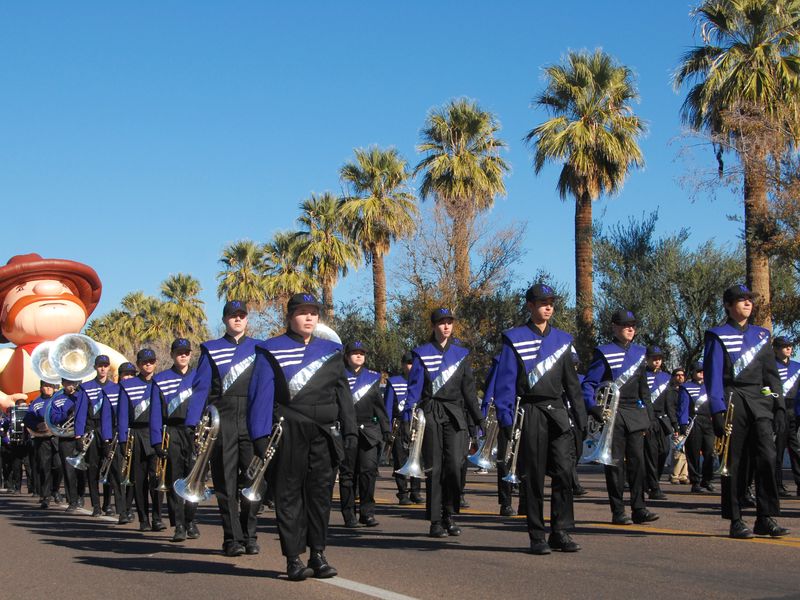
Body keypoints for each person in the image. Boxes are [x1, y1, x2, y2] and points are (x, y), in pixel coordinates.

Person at [248, 293, 356, 581]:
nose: (309, 318)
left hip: (324, 433)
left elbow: (342, 392)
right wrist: (260, 436)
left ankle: (318, 554)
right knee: (289, 495)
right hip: (288, 432)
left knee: (320, 495)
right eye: (303, 312)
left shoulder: (332, 350)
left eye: (313, 313)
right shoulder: (269, 349)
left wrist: (350, 430)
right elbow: (261, 395)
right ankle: (293, 558)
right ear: (290, 316)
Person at [493, 284, 586, 554]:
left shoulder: (563, 339)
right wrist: (506, 418)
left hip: (558, 413)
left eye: (551, 302)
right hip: (530, 413)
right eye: (542, 302)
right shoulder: (513, 338)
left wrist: (580, 418)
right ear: (530, 306)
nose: (548, 307)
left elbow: (572, 384)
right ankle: (537, 535)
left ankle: (560, 531)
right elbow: (506, 383)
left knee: (564, 473)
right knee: (533, 478)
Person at [704, 284, 788, 538]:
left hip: (759, 402)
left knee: (768, 457)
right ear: (728, 306)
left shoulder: (762, 335)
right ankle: (736, 519)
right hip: (732, 400)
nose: (747, 304)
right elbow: (714, 376)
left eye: (749, 300)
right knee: (734, 463)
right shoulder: (717, 335)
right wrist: (717, 410)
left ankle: (765, 516)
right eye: (741, 300)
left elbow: (771, 376)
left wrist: (779, 405)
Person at [185, 300, 259, 557]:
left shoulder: (259, 348)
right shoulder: (211, 349)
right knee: (226, 486)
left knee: (254, 482)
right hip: (223, 423)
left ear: (247, 319)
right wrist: (193, 423)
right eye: (232, 316)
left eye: (242, 315)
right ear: (225, 319)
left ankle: (250, 535)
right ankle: (232, 539)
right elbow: (202, 388)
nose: (237, 320)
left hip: (252, 422)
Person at [405, 307, 483, 539]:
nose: (446, 326)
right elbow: (414, 388)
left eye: (449, 322)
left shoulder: (461, 354)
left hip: (455, 414)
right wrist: (409, 416)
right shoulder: (421, 353)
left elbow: (469, 390)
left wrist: (479, 419)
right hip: (431, 414)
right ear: (433, 326)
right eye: (441, 322)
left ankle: (450, 514)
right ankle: (436, 521)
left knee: (455, 467)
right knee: (435, 469)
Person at [582, 309, 659, 526]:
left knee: (637, 463)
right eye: (625, 325)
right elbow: (589, 384)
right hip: (612, 413)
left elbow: (645, 390)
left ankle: (639, 508)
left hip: (634, 413)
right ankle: (618, 511)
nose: (630, 329)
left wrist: (650, 417)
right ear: (614, 327)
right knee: (615, 465)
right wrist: (593, 407)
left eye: (633, 325)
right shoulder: (604, 352)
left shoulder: (640, 352)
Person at [150, 338, 200, 542]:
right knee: (175, 479)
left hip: (194, 432)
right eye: (179, 352)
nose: (183, 355)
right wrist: (155, 441)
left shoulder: (199, 377)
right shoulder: (160, 379)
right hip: (171, 431)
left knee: (194, 480)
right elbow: (155, 413)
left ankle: (190, 520)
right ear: (171, 354)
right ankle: (179, 524)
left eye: (186, 352)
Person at [339, 341, 390, 527]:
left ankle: (367, 513)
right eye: (354, 353)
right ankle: (349, 514)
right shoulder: (339, 376)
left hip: (369, 431)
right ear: (347, 356)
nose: (359, 356)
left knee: (368, 472)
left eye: (362, 353)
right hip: (346, 431)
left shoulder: (373, 377)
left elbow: (379, 405)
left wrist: (386, 428)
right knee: (347, 475)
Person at [118, 349, 164, 531]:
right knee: (139, 480)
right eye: (144, 362)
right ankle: (144, 519)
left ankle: (158, 518)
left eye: (151, 361)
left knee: (157, 478)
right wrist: (122, 440)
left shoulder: (161, 382)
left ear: (155, 363)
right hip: (136, 435)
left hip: (156, 434)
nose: (148, 364)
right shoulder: (127, 386)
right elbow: (122, 415)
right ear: (138, 365)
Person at [72, 355, 114, 516]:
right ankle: (96, 505)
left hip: (107, 431)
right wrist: (78, 436)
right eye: (100, 366)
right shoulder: (86, 387)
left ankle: (107, 504)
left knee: (108, 469)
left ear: (109, 367)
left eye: (105, 365)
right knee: (93, 469)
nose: (102, 369)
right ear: (95, 368)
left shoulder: (114, 387)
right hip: (91, 430)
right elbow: (80, 413)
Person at [100, 362, 136, 524]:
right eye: (125, 375)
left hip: (135, 436)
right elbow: (106, 417)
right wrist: (107, 439)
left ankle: (129, 508)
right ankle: (121, 511)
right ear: (119, 377)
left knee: (133, 476)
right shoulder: (110, 391)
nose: (128, 378)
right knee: (118, 475)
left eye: (131, 375)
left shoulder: (140, 389)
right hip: (116, 437)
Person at [384, 352, 422, 505]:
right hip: (399, 426)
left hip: (417, 426)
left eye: (413, 363)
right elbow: (387, 407)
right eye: (408, 363)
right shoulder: (394, 382)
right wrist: (387, 429)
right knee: (400, 461)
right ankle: (402, 493)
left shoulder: (421, 382)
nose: (410, 366)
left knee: (417, 459)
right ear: (402, 364)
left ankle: (415, 491)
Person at [677, 362, 715, 493]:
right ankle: (695, 481)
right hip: (694, 421)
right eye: (698, 371)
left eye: (703, 371)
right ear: (692, 373)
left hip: (708, 421)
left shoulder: (710, 386)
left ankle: (707, 479)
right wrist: (682, 424)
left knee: (710, 451)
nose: (701, 373)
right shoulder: (686, 387)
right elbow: (683, 406)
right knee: (693, 453)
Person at [49, 378, 83, 513]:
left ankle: (80, 495)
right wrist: (67, 412)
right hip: (65, 438)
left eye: (73, 383)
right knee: (68, 470)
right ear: (63, 384)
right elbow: (53, 418)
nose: (71, 385)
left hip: (82, 435)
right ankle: (72, 500)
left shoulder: (81, 395)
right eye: (68, 383)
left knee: (82, 469)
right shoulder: (57, 399)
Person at [772, 336, 800, 497]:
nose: (788, 348)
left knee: (795, 449)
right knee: (778, 450)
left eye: (789, 346)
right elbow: (764, 389)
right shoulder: (770, 366)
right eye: (784, 346)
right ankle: (777, 484)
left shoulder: (797, 367)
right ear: (775, 349)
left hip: (793, 411)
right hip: (777, 410)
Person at [644, 346, 671, 500]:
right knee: (651, 453)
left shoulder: (666, 378)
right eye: (654, 358)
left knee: (664, 451)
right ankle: (654, 487)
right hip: (647, 417)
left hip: (662, 420)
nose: (657, 361)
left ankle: (653, 481)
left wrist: (674, 423)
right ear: (647, 359)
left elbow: (670, 402)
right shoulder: (641, 375)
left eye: (659, 358)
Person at [667, 368, 689, 484]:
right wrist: (675, 424)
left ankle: (684, 475)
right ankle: (674, 475)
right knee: (677, 449)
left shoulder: (686, 389)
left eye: (682, 375)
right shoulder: (670, 391)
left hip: (686, 422)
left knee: (685, 449)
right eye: (677, 375)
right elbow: (670, 408)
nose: (680, 377)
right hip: (675, 422)